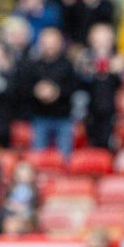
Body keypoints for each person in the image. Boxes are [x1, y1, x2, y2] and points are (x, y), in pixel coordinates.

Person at [21, 28, 78, 158]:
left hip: (63, 118)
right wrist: (37, 91)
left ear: (60, 44)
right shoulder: (33, 65)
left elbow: (74, 88)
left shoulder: (67, 65)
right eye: (46, 43)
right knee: (37, 156)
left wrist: (57, 92)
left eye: (53, 43)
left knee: (64, 157)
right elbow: (23, 88)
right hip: (40, 117)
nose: (50, 47)